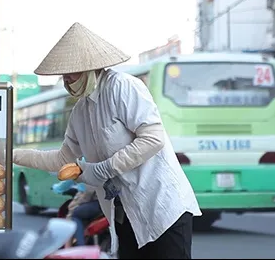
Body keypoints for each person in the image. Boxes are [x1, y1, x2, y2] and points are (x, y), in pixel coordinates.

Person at [13, 22, 202, 259]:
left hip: (161, 208)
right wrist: (11, 155)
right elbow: (62, 159)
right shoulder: (80, 112)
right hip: (124, 215)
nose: (67, 80)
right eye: (64, 75)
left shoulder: (123, 87)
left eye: (71, 73)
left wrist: (104, 168)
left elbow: (153, 138)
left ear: (90, 68)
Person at [52, 179, 102, 247]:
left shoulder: (82, 169)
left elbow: (69, 180)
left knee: (71, 217)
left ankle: (73, 250)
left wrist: (56, 188)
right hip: (107, 202)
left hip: (88, 195)